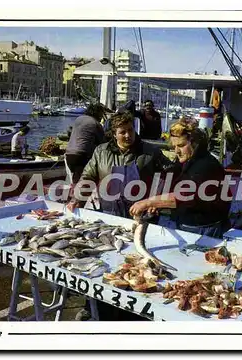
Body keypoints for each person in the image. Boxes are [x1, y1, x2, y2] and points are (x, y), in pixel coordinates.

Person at [67, 112, 171, 322]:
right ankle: (94, 305)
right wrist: (77, 198)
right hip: (110, 218)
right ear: (113, 134)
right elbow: (88, 177)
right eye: (122, 132)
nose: (127, 135)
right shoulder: (101, 152)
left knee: (137, 267)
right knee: (105, 263)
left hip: (140, 221)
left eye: (130, 130)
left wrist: (157, 201)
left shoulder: (150, 152)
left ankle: (134, 313)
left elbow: (170, 174)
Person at [129, 118, 231, 238]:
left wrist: (148, 202)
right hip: (183, 221)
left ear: (195, 143)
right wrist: (158, 204)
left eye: (181, 145)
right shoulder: (185, 160)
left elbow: (183, 196)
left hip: (204, 227)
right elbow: (171, 182)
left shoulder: (206, 165)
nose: (177, 151)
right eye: (174, 146)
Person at [64, 103, 107, 184]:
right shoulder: (96, 124)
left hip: (69, 154)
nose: (101, 117)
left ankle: (74, 191)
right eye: (101, 114)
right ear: (97, 113)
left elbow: (71, 132)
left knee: (77, 177)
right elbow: (103, 143)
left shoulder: (79, 119)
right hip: (83, 155)